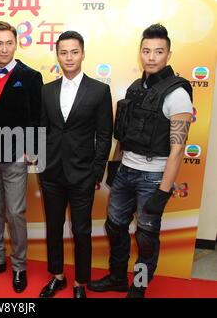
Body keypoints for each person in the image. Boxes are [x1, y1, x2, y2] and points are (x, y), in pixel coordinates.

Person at [87, 24, 193, 298]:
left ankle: (140, 284)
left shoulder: (177, 94)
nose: (151, 57)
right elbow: (125, 133)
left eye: (158, 51)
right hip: (126, 170)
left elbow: (178, 149)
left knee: (145, 237)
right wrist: (115, 164)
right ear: (140, 53)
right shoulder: (136, 88)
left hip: (154, 176)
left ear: (168, 54)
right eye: (146, 51)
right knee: (115, 226)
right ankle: (118, 277)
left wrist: (163, 190)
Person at [38, 31, 113, 298]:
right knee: (54, 227)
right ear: (57, 55)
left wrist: (96, 171)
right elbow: (42, 130)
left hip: (83, 174)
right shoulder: (46, 90)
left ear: (82, 53)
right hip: (51, 173)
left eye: (74, 52)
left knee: (81, 230)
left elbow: (104, 135)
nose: (68, 57)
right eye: (63, 52)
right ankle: (57, 275)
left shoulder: (99, 90)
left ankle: (81, 281)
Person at [0, 21, 43, 293]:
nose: (3, 48)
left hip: (16, 154)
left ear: (16, 44)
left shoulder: (30, 75)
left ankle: (19, 266)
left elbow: (37, 115)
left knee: (15, 213)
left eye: (8, 43)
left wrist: (32, 150)